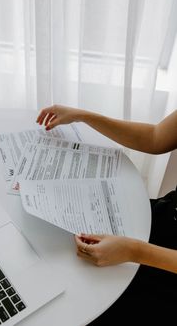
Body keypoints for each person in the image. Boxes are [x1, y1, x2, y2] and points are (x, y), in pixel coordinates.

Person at [36, 104, 177, 325]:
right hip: (164, 216)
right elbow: (155, 137)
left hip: (168, 273)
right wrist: (82, 115)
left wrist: (134, 250)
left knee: (84, 309)